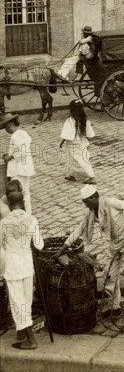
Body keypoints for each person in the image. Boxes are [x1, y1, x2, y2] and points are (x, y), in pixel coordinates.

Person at [54, 185, 124, 326]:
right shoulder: (91, 213)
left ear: (95, 197)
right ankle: (115, 307)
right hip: (114, 244)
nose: (86, 205)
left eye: (88, 201)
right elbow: (79, 230)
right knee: (109, 275)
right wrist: (62, 249)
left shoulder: (111, 202)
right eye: (84, 202)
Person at [0, 191, 43, 350]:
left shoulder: (4, 223)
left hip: (12, 265)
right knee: (26, 300)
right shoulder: (31, 220)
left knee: (18, 303)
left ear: (10, 205)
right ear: (23, 203)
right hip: (26, 264)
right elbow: (39, 245)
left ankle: (31, 340)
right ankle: (21, 332)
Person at [0, 113, 35, 215]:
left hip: (19, 169)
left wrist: (9, 157)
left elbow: (22, 151)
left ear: (10, 124)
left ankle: (24, 213)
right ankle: (27, 212)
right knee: (25, 192)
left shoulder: (16, 135)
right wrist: (10, 154)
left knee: (19, 194)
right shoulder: (23, 133)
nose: (6, 130)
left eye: (6, 127)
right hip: (24, 168)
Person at [60, 99, 96, 184]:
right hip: (82, 143)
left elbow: (67, 133)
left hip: (73, 143)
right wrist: (88, 143)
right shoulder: (85, 120)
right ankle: (73, 174)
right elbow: (89, 134)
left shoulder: (70, 120)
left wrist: (62, 142)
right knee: (75, 159)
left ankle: (92, 177)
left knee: (80, 161)